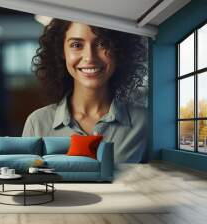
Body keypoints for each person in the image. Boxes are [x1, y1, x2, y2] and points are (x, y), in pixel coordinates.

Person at [22, 19, 148, 163]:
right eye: (76, 45)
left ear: (119, 50)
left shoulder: (144, 122)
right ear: (61, 51)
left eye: (103, 44)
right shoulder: (37, 123)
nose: (90, 58)